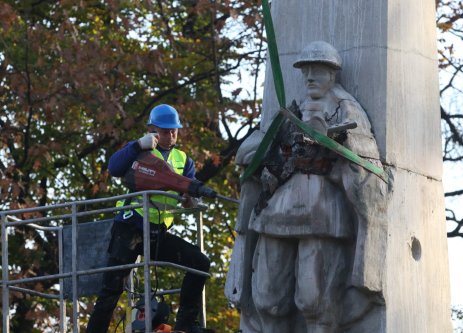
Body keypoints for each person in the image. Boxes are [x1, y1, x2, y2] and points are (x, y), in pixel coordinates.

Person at [227, 41, 389, 332]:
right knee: (268, 298)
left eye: (318, 70)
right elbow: (258, 143)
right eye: (306, 71)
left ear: (332, 75)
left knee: (315, 302)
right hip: (277, 211)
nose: (310, 77)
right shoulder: (294, 108)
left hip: (322, 213)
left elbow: (365, 161)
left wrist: (337, 144)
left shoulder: (346, 109)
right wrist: (259, 151)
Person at [87, 104, 212, 333]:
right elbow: (114, 168)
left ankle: (185, 325)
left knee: (199, 263)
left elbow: (187, 188)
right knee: (112, 287)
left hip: (156, 232)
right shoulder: (141, 150)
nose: (171, 135)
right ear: (152, 130)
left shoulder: (183, 160)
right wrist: (136, 145)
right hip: (129, 227)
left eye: (174, 130)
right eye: (165, 131)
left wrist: (189, 200)